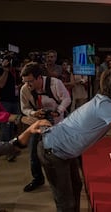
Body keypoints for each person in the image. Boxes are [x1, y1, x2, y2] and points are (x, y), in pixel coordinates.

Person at [36, 68, 111, 211]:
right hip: (53, 151)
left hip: (62, 149)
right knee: (66, 203)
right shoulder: (104, 106)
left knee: (75, 188)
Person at [19, 62, 71, 192]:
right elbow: (24, 108)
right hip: (37, 124)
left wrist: (58, 111)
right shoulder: (25, 89)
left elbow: (66, 98)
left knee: (59, 153)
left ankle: (63, 180)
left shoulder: (55, 83)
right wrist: (33, 113)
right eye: (25, 81)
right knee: (33, 154)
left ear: (39, 77)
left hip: (57, 123)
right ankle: (38, 178)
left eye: (30, 81)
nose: (27, 85)